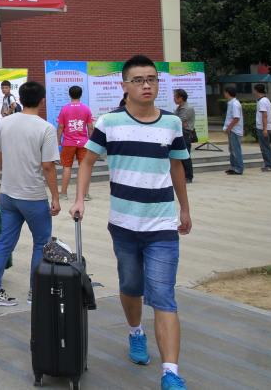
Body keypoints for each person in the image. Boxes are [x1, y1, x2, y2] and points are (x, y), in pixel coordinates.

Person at [72, 55, 192, 390]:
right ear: (124, 85)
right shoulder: (109, 122)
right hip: (124, 224)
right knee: (130, 286)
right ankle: (135, 332)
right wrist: (79, 198)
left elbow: (177, 168)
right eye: (138, 80)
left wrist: (184, 209)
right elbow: (87, 161)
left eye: (151, 79)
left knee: (164, 296)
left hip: (162, 225)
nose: (146, 85)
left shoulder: (171, 124)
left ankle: (170, 372)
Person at [0, 81, 60, 306]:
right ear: (42, 101)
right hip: (33, 196)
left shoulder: (6, 123)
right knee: (41, 243)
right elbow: (48, 167)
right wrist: (55, 197)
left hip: (8, 194)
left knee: (5, 241)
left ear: (20, 99)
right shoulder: (45, 128)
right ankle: (36, 292)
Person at [56, 85, 95, 200]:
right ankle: (85, 194)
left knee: (66, 167)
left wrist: (58, 140)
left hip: (68, 143)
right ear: (81, 94)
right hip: (83, 143)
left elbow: (60, 127)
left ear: (69, 94)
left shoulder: (64, 109)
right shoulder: (86, 109)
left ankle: (63, 194)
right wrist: (92, 141)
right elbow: (90, 127)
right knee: (85, 168)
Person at [173, 89, 196, 183]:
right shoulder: (179, 108)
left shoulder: (188, 108)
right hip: (180, 133)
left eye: (175, 97)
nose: (174, 98)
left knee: (185, 156)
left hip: (186, 134)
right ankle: (182, 175)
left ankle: (189, 176)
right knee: (180, 155)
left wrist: (178, 122)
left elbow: (179, 121)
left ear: (181, 98)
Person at [254, 83, 271, 172]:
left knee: (265, 147)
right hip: (264, 127)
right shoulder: (265, 100)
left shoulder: (262, 101)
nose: (254, 92)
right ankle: (269, 164)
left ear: (257, 91)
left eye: (254, 90)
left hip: (263, 128)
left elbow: (264, 115)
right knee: (266, 147)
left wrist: (265, 129)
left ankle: (269, 165)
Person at [223, 86, 244, 175]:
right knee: (232, 149)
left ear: (228, 93)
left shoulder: (235, 104)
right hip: (232, 130)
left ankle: (239, 168)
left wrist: (229, 128)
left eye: (225, 92)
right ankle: (233, 167)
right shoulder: (231, 103)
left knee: (235, 150)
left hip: (235, 130)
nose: (224, 94)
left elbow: (236, 118)